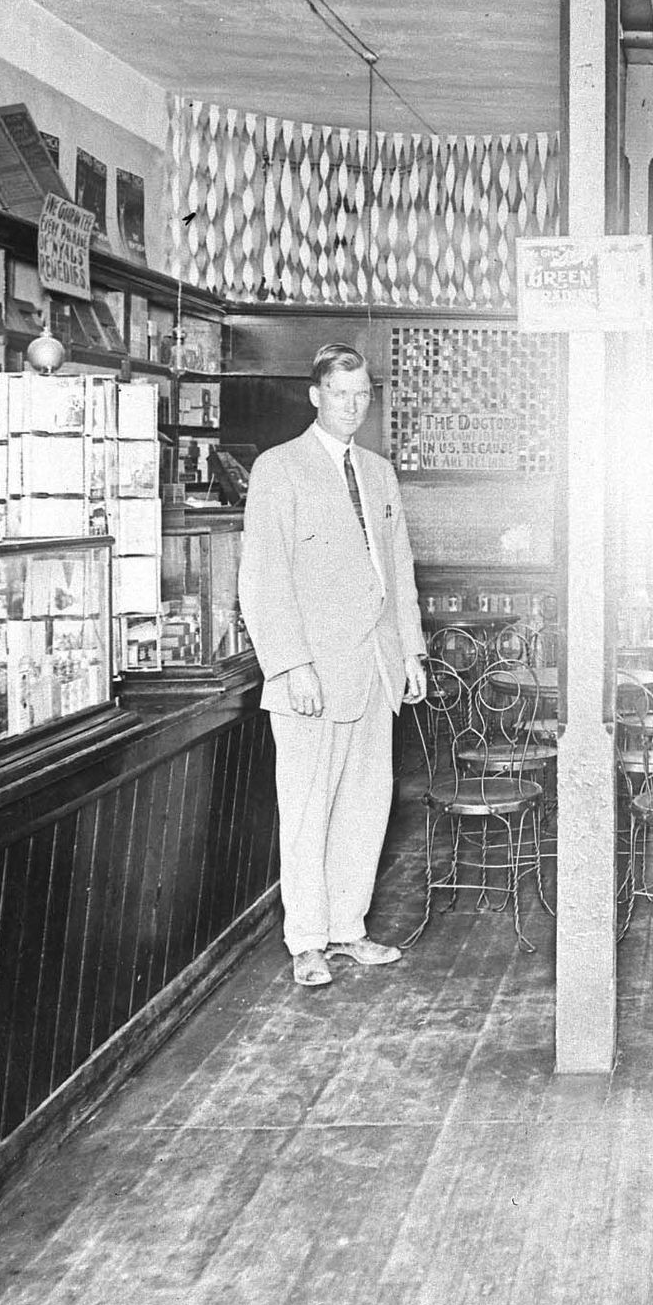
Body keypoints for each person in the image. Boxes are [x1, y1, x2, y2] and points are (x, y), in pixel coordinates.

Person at [238, 343, 429, 986]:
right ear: (315, 395)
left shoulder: (377, 472)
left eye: (362, 394)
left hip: (375, 666)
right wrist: (291, 665)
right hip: (313, 673)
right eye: (341, 393)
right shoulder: (279, 468)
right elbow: (263, 578)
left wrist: (410, 651)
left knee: (366, 805)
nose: (353, 405)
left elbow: (398, 570)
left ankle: (348, 928)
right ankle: (308, 941)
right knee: (307, 807)